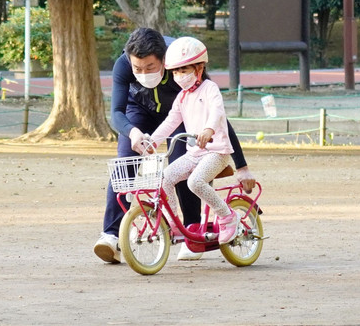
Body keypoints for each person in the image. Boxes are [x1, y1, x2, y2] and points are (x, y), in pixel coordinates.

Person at [94, 27, 254, 264]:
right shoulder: (124, 64)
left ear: (164, 60)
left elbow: (217, 116)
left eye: (150, 68)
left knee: (184, 160)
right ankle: (111, 235)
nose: (143, 73)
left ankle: (192, 230)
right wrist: (133, 132)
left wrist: (241, 166)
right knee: (125, 161)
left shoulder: (184, 63)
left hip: (180, 115)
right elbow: (116, 112)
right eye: (138, 69)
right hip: (139, 110)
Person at [144, 36, 241, 246]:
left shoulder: (210, 88)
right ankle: (175, 225)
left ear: (198, 68)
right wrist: (152, 141)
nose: (179, 76)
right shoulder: (182, 97)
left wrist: (208, 129)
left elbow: (217, 111)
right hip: (194, 153)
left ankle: (227, 216)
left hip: (217, 151)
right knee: (165, 178)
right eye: (176, 72)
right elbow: (171, 121)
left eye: (184, 70)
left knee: (194, 182)